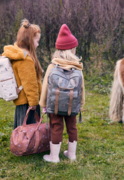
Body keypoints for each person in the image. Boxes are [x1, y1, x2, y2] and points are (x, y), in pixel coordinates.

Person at [39, 24, 85, 163]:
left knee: (56, 128)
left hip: (55, 106)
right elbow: (82, 88)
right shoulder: (77, 68)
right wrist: (81, 104)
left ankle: (54, 157)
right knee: (72, 127)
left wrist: (43, 104)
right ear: (72, 49)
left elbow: (45, 87)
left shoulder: (52, 66)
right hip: (72, 105)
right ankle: (71, 155)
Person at [2, 19, 43, 129]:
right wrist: (34, 102)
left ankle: (20, 145)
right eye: (37, 41)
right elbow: (30, 84)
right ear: (29, 40)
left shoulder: (18, 55)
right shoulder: (26, 60)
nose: (38, 44)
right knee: (29, 131)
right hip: (28, 102)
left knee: (22, 129)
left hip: (23, 101)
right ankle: (28, 146)